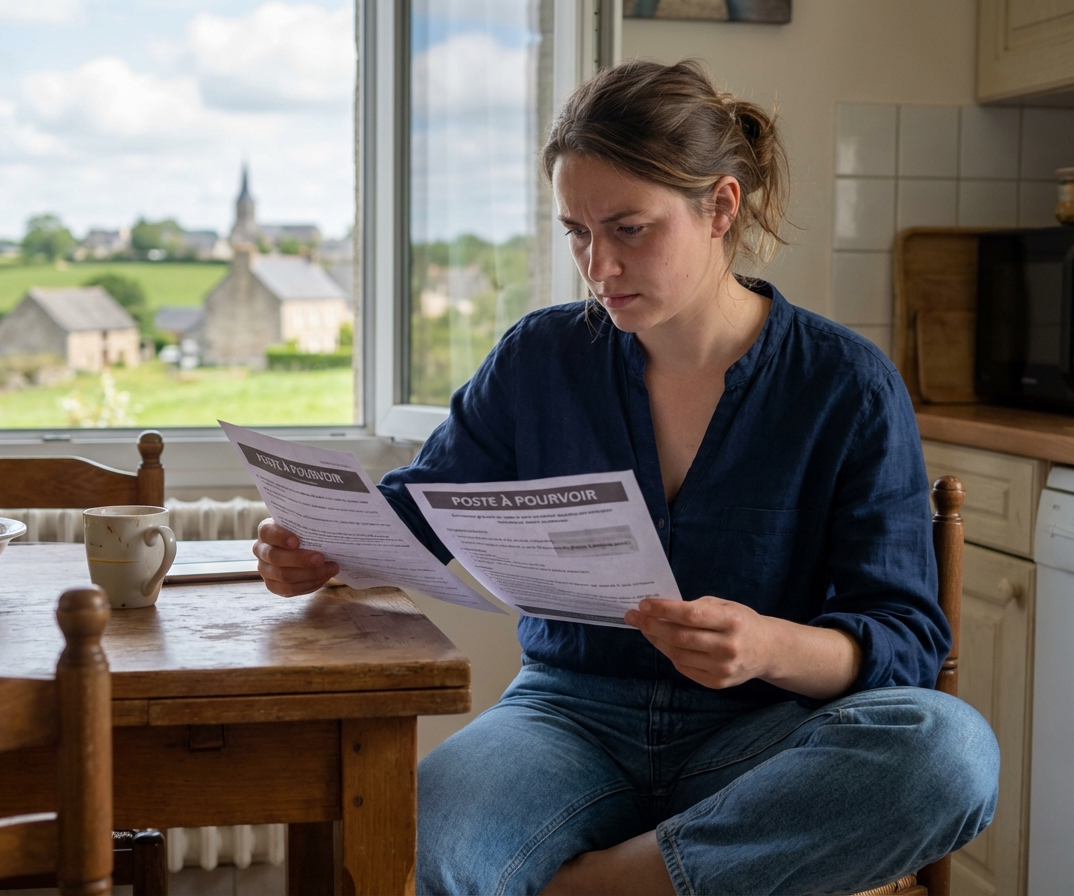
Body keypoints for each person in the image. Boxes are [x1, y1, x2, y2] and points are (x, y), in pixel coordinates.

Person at [254, 59, 999, 895]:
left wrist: (764, 644)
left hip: (767, 732)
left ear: (720, 207)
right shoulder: (539, 358)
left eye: (629, 229)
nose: (596, 266)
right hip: (565, 715)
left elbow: (904, 637)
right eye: (576, 230)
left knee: (950, 753)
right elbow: (423, 510)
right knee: (424, 832)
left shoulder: (846, 384)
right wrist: (318, 548)